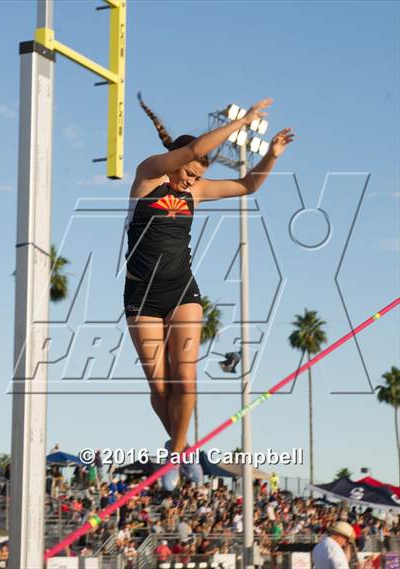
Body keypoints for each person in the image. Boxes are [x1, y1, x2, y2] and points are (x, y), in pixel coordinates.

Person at [124, 93, 294, 491]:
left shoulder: (196, 192)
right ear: (177, 159)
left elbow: (249, 185)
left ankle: (175, 454)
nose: (191, 181)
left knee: (187, 380)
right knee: (160, 385)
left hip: (182, 290)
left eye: (198, 177)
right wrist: (247, 119)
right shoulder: (148, 174)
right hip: (141, 298)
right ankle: (183, 449)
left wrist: (271, 155)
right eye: (188, 172)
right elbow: (198, 147)